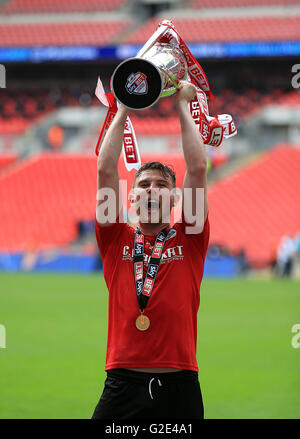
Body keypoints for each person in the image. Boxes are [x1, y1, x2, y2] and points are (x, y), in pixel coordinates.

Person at [92, 81, 210, 420]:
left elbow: (198, 169)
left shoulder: (191, 236)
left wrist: (183, 107)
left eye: (162, 185)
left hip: (180, 382)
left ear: (175, 198)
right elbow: (105, 169)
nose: (152, 190)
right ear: (130, 198)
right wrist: (124, 107)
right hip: (122, 381)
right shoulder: (115, 238)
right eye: (144, 185)